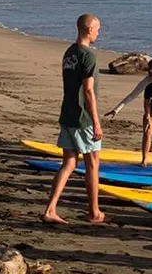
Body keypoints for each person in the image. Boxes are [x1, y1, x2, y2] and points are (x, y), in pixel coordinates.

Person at [41, 14, 105, 225]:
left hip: (67, 114)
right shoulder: (88, 56)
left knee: (68, 163)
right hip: (82, 118)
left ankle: (50, 209)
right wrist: (96, 122)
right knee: (92, 164)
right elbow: (88, 90)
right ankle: (94, 211)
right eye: (97, 29)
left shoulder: (69, 53)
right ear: (89, 30)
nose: (98, 33)